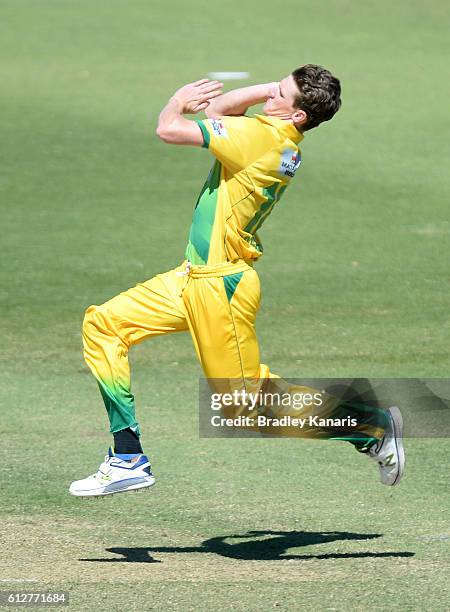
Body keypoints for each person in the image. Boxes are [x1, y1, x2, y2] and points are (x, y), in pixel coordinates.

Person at [69, 65, 405, 497]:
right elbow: (222, 110)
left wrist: (177, 101)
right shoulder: (279, 139)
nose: (269, 95)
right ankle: (127, 457)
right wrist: (274, 90)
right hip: (192, 278)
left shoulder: (258, 139)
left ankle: (371, 426)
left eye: (279, 93)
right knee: (103, 325)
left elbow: (170, 130)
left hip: (219, 288)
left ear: (296, 115)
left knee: (244, 407)